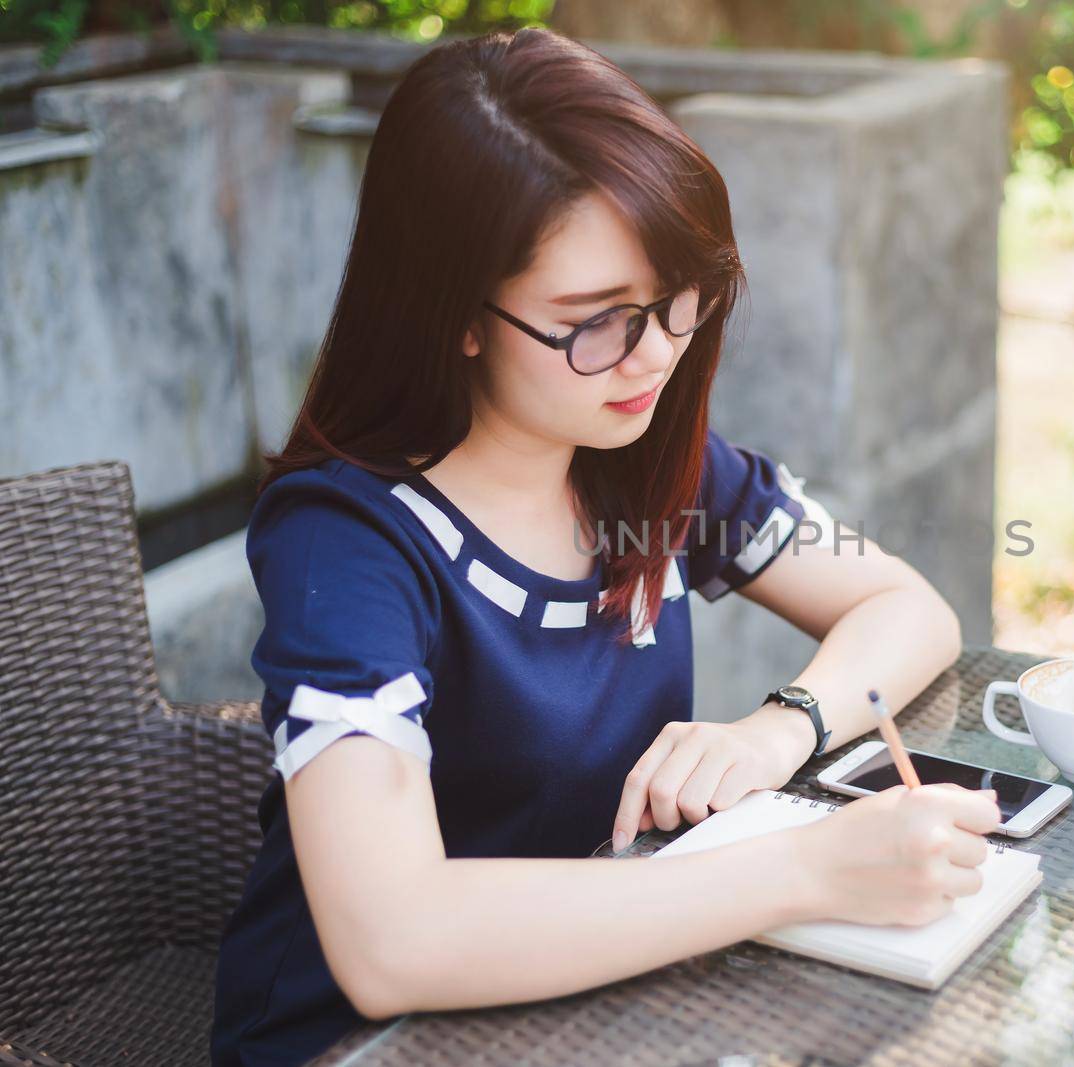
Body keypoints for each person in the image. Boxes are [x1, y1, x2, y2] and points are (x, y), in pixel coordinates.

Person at [210, 26, 998, 1066]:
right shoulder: (352, 538)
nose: (659, 354)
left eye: (678, 300)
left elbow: (907, 607)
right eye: (595, 321)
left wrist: (777, 730)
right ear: (457, 314)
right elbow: (391, 940)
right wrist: (802, 869)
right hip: (367, 1042)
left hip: (602, 1005)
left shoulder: (639, 454)